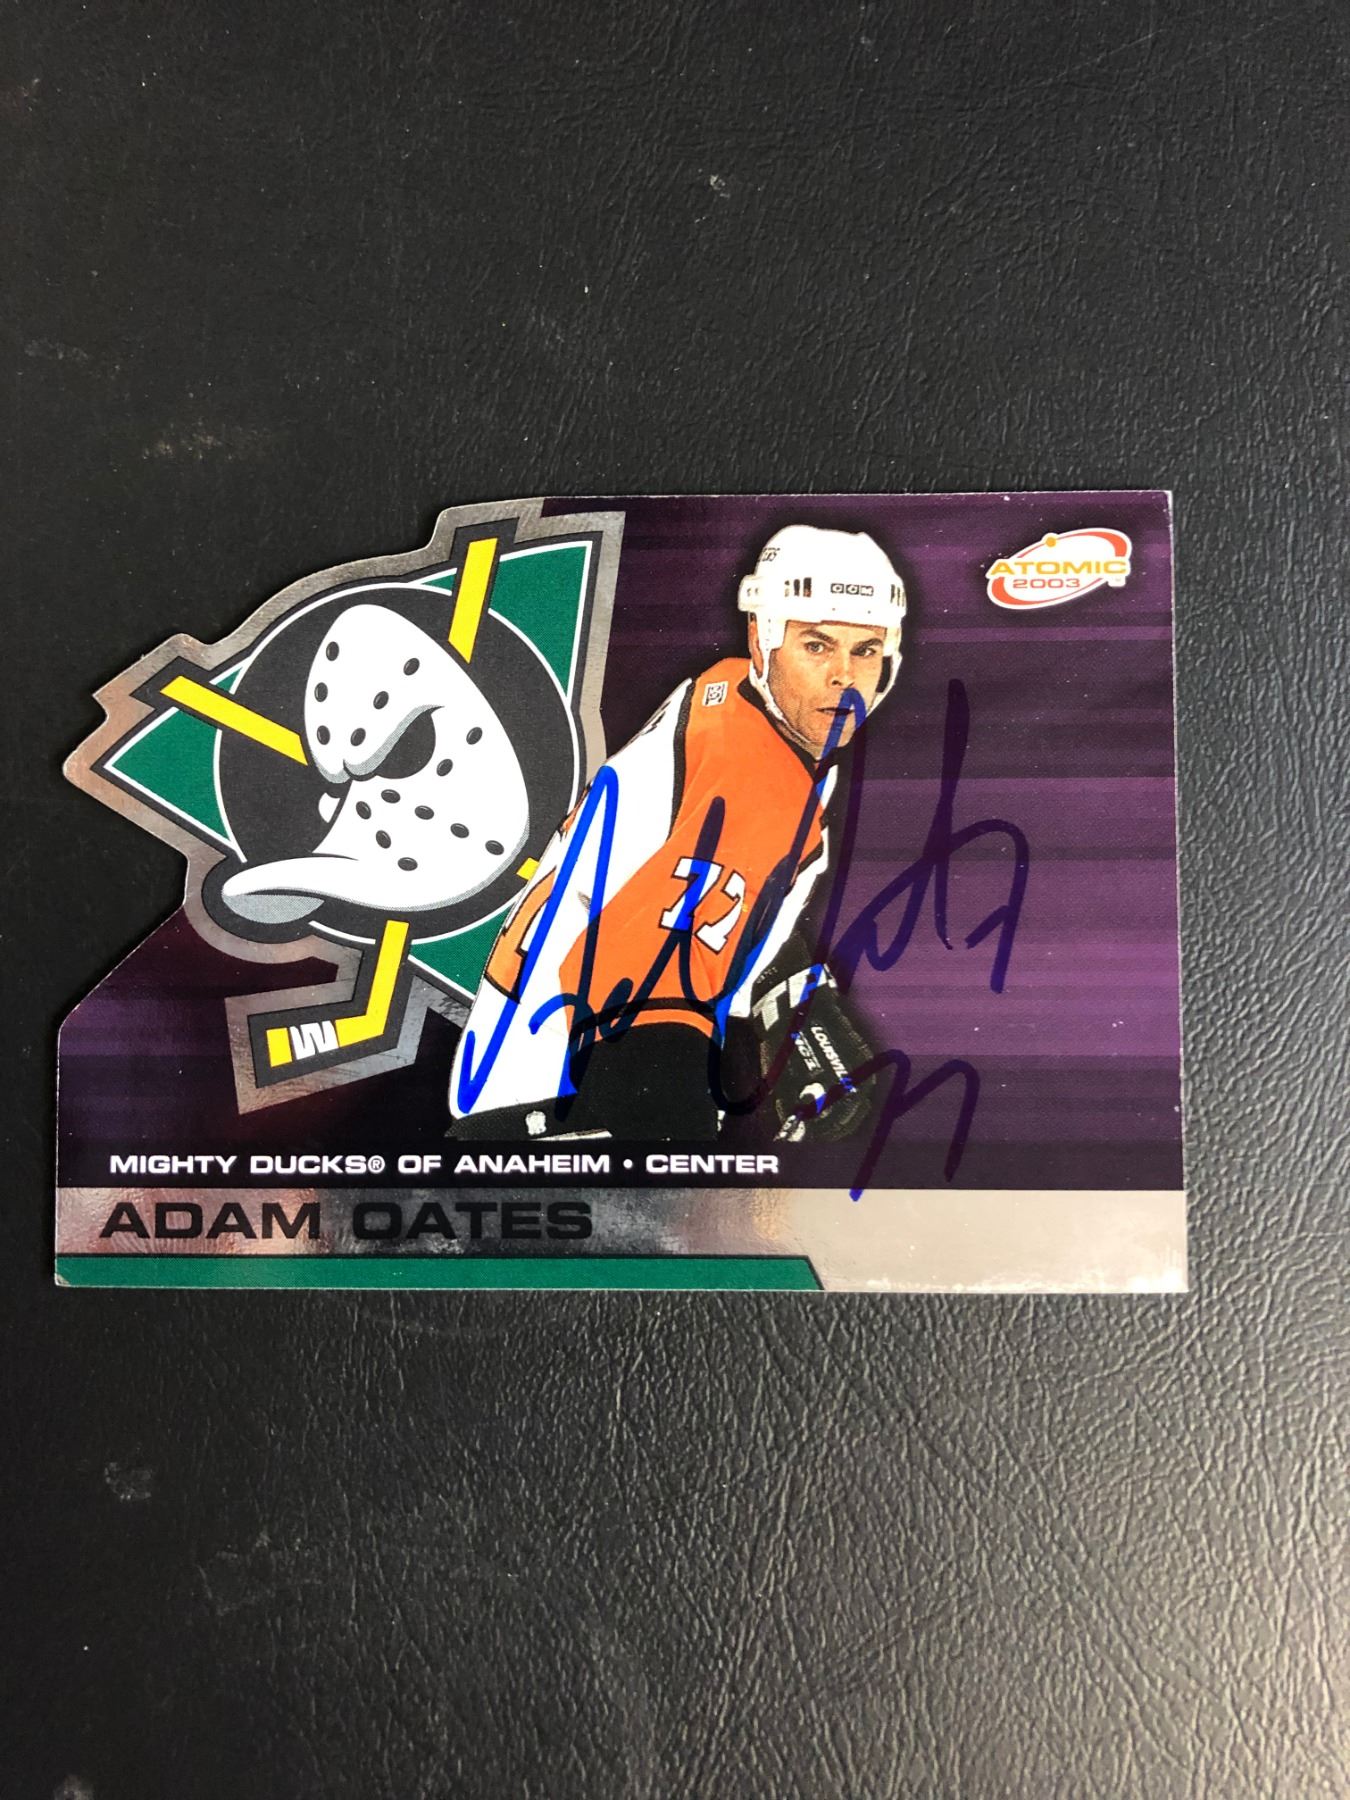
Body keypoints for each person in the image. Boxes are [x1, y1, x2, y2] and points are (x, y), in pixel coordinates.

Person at [447, 523, 907, 1142]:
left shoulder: (732, 694)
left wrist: (790, 990)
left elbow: (694, 891)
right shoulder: (752, 777)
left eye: (866, 650)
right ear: (762, 639)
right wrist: (680, 1148)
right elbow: (633, 982)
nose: (843, 677)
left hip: (521, 1086)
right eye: (817, 646)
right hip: (570, 1106)